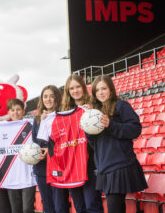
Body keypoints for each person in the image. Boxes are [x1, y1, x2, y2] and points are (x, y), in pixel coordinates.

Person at [86, 75, 147, 213]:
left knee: (114, 208)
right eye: (97, 90)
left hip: (120, 165)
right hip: (104, 167)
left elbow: (135, 129)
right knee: (117, 208)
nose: (101, 92)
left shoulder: (121, 105)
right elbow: (94, 144)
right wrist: (88, 130)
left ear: (111, 90)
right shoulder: (94, 113)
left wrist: (111, 125)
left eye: (104, 88)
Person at [60, 74, 104, 213]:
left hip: (90, 164)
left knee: (92, 204)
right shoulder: (63, 113)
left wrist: (92, 113)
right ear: (68, 91)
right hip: (72, 166)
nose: (75, 91)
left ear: (84, 88)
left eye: (78, 86)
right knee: (79, 207)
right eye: (72, 88)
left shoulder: (95, 105)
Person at [32, 85, 70, 213]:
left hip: (59, 167)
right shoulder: (37, 119)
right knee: (47, 206)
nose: (48, 99)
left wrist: (51, 151)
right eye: (45, 96)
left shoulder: (64, 116)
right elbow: (35, 142)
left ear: (57, 98)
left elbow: (66, 141)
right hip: (42, 168)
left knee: (60, 206)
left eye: (51, 96)